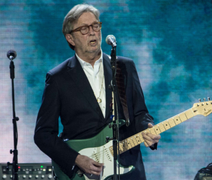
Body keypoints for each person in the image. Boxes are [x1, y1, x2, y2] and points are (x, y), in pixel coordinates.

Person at [34, 3, 161, 180]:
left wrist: (147, 128)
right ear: (70, 39)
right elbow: (43, 134)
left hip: (128, 168)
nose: (93, 32)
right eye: (84, 29)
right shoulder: (58, 78)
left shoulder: (124, 67)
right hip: (85, 173)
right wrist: (76, 159)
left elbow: (140, 113)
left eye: (95, 26)